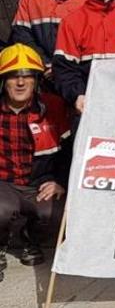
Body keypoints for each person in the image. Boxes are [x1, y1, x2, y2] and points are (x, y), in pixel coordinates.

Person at [0, 43, 70, 279]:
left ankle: (29, 239)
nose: (20, 83)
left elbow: (68, 152)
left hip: (38, 184)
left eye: (27, 77)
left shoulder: (54, 107)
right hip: (4, 184)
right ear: (3, 81)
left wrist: (60, 181)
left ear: (37, 81)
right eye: (13, 77)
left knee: (58, 215)